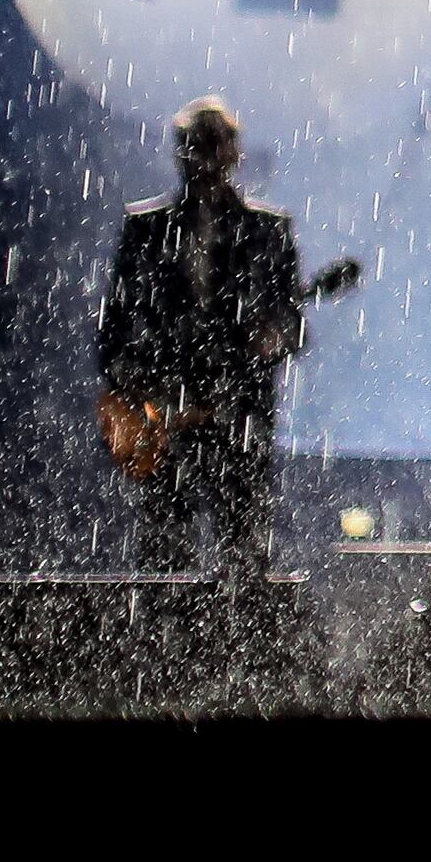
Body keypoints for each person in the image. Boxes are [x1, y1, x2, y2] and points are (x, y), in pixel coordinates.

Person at [97, 98, 312, 576]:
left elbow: (292, 325)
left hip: (236, 419)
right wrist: (143, 397)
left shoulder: (266, 231)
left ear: (233, 153)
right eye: (199, 146)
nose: (208, 158)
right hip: (169, 418)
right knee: (167, 554)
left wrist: (274, 338)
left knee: (242, 549)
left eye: (215, 146)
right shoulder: (147, 229)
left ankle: (227, 635)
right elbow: (115, 328)